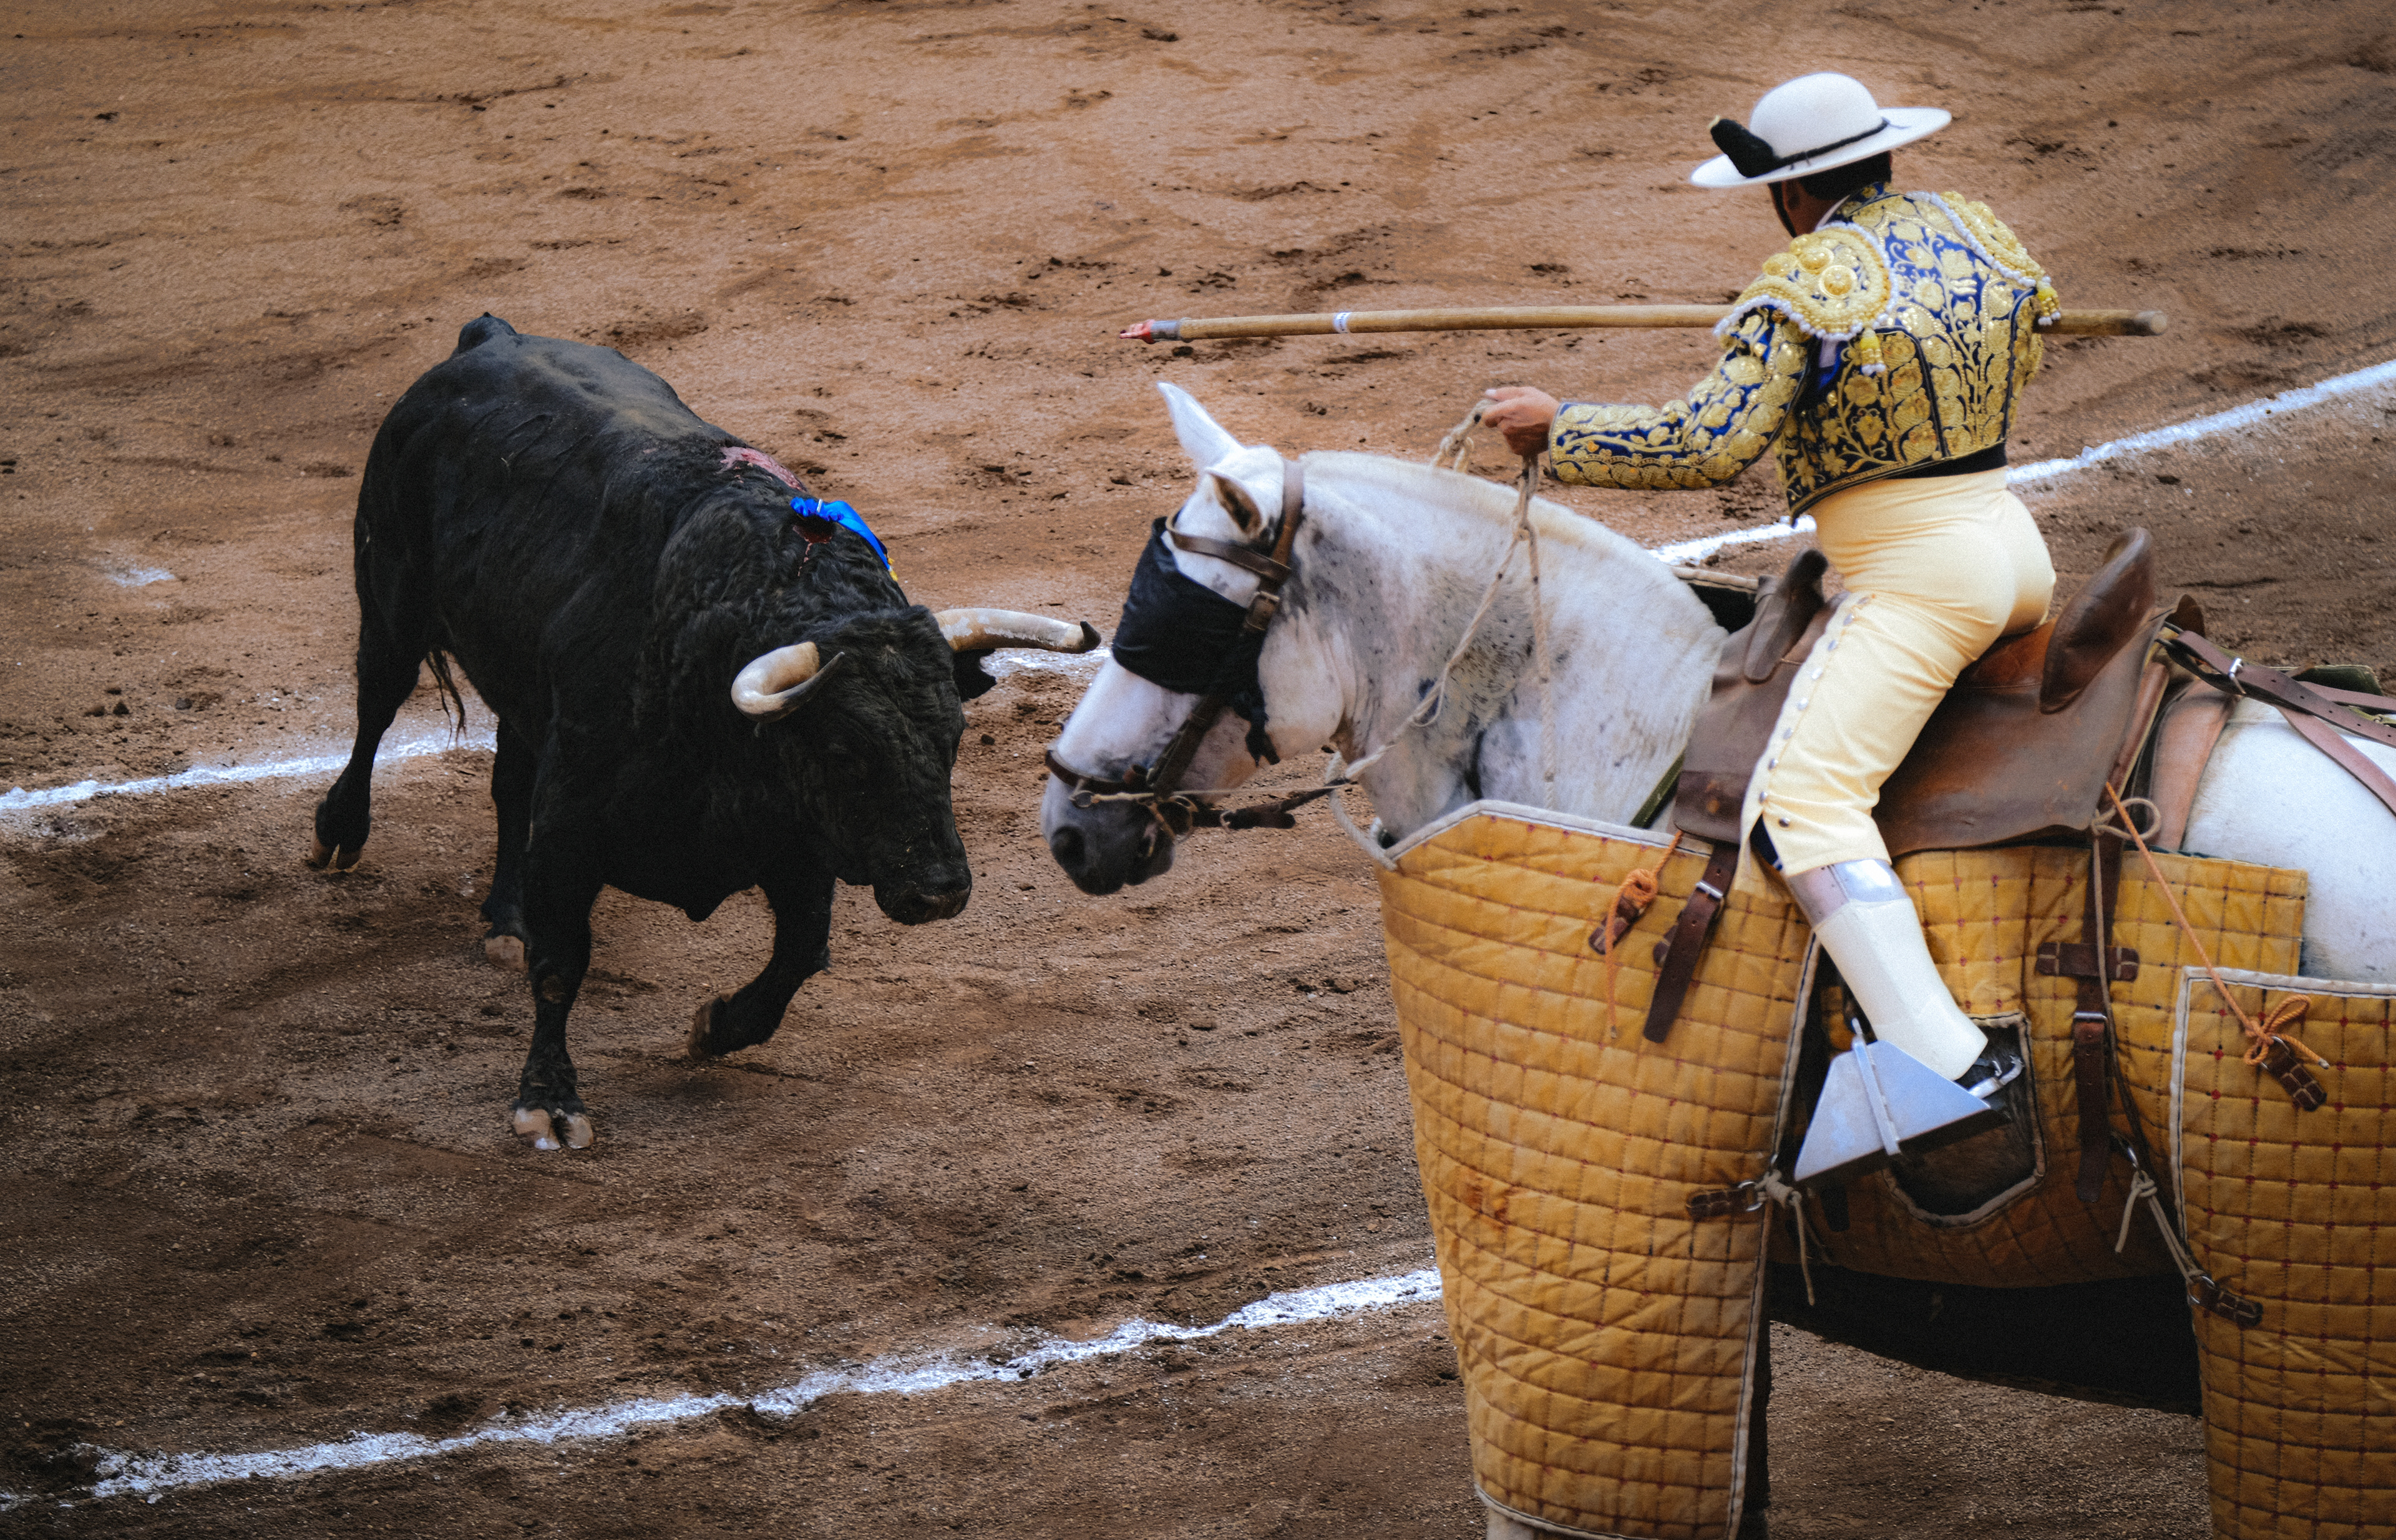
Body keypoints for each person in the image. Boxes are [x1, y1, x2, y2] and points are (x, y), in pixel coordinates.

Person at [1482, 71, 2057, 1141]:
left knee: (1803, 805)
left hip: (1921, 581)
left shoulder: (1808, 279)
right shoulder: (1976, 232)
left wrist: (1564, 429)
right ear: (1880, 157)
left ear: (1791, 193)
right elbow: (2030, 327)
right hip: (2014, 549)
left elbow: (1710, 443)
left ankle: (1953, 1065)